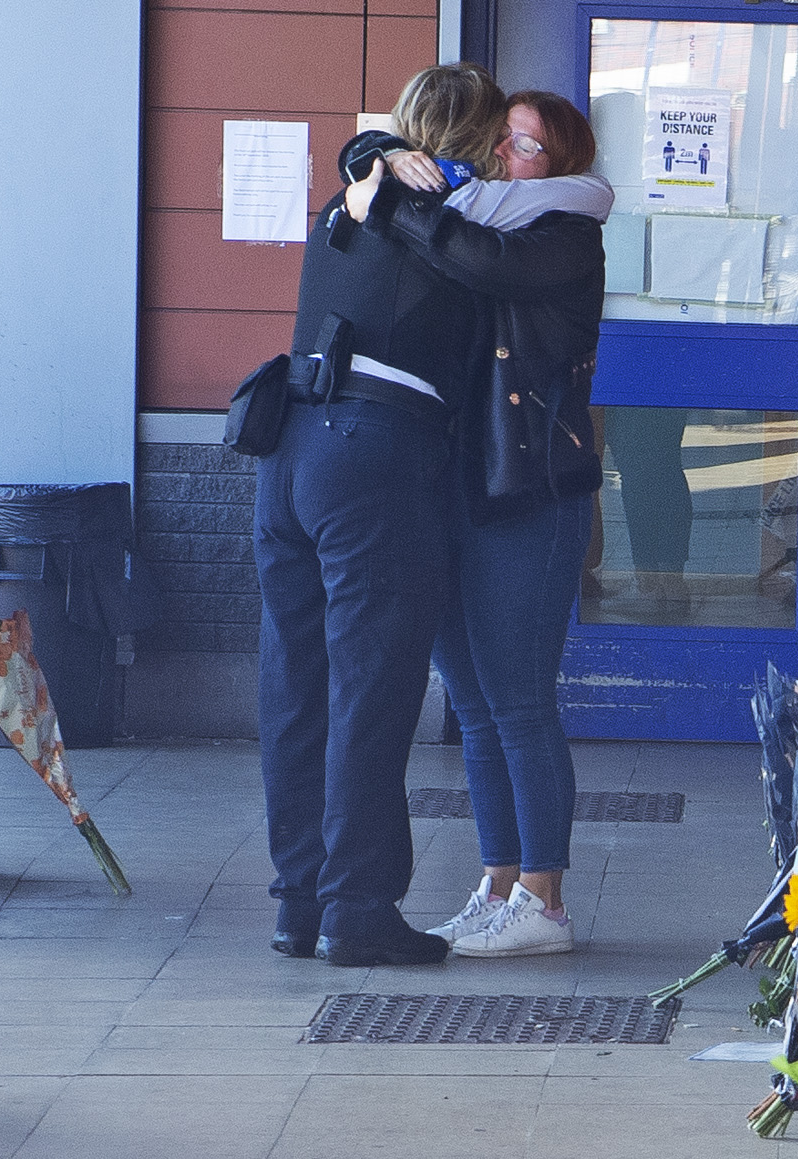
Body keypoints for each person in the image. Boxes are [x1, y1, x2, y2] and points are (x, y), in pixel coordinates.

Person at [251, 66, 508, 967]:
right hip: (376, 453)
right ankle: (356, 908)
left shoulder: (347, 199)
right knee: (371, 688)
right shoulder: (441, 211)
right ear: (474, 139)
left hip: (289, 448)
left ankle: (298, 903)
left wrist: (375, 152)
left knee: (297, 683)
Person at [356, 92, 612, 960]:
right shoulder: (464, 203)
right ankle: (497, 881)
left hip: (532, 493)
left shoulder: (563, 232)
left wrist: (389, 192)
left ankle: (546, 899)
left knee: (518, 698)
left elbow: (481, 262)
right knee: (470, 701)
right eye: (501, 134)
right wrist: (377, 152)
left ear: (563, 162)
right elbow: (374, 153)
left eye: (530, 145)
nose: (507, 151)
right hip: (460, 487)